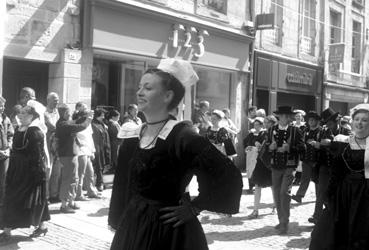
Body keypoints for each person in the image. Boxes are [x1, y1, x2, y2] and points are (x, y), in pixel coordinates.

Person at [108, 58, 243, 250]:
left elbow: (228, 174)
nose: (139, 92)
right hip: (135, 224)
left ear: (167, 95)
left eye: (148, 88)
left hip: (169, 232)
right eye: (140, 87)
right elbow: (123, 182)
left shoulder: (183, 136)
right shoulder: (134, 134)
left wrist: (195, 207)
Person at [309, 104, 369, 250]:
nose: (360, 123)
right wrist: (330, 197)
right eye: (357, 119)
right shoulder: (342, 143)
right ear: (352, 122)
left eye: (365, 120)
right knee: (327, 234)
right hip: (344, 194)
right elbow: (336, 173)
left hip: (366, 196)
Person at [0, 104, 50, 241]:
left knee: (28, 200)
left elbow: (38, 157)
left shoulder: (35, 132)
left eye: (24, 114)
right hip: (16, 170)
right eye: (20, 113)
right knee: (17, 198)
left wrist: (38, 176)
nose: (20, 115)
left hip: (29, 172)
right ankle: (41, 225)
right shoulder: (19, 128)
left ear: (32, 116)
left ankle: (7, 230)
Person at [308, 107, 350, 224]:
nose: (328, 126)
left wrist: (330, 144)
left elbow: (347, 149)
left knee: (336, 194)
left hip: (340, 169)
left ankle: (333, 216)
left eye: (330, 123)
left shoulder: (346, 132)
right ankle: (317, 216)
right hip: (325, 166)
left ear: (336, 121)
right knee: (321, 192)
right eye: (326, 123)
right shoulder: (324, 132)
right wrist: (318, 145)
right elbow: (320, 147)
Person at [267, 106, 305, 235]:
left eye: (287, 116)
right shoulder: (271, 129)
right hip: (275, 166)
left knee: (284, 193)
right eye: (283, 116)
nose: (286, 118)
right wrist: (270, 147)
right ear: (279, 117)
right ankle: (281, 220)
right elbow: (266, 145)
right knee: (277, 194)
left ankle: (285, 222)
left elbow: (302, 148)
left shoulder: (296, 131)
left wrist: (290, 148)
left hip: (289, 166)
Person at [56, 104, 93, 213]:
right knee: (67, 179)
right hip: (67, 155)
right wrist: (89, 119)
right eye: (68, 112)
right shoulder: (62, 124)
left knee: (74, 178)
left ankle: (71, 201)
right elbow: (80, 126)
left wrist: (85, 116)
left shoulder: (65, 123)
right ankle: (64, 204)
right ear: (64, 113)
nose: (70, 114)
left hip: (71, 154)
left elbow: (76, 122)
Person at [245, 115, 277, 219]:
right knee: (258, 185)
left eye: (268, 122)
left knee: (273, 186)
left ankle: (275, 206)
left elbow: (274, 148)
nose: (266, 124)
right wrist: (257, 147)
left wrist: (265, 147)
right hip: (261, 162)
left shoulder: (275, 133)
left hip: (270, 164)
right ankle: (255, 210)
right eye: (266, 122)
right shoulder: (266, 133)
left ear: (273, 123)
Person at [291, 111, 322, 204]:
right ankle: (299, 196)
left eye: (313, 120)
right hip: (306, 158)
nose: (311, 122)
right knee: (305, 178)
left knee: (317, 180)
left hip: (317, 159)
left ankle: (319, 197)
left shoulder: (321, 131)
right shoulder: (305, 130)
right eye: (310, 120)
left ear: (317, 121)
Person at [73, 106, 101, 200]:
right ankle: (78, 194)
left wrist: (92, 150)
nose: (91, 117)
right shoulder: (77, 123)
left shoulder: (88, 125)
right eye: (89, 115)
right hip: (81, 151)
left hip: (87, 150)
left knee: (90, 172)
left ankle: (91, 191)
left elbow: (90, 138)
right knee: (81, 174)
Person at [44, 92, 61, 203]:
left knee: (57, 171)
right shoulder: (44, 113)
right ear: (48, 100)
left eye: (58, 100)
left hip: (57, 145)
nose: (57, 102)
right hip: (48, 145)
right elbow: (53, 126)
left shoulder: (57, 112)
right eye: (54, 99)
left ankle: (54, 195)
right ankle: (46, 196)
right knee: (48, 171)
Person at [92, 108, 111, 192]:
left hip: (103, 147)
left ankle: (101, 182)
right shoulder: (93, 125)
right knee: (98, 166)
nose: (103, 117)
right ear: (98, 115)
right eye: (102, 115)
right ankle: (99, 183)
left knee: (103, 166)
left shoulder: (102, 124)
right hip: (98, 148)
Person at [0, 97, 14, 207]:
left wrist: (8, 147)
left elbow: (11, 135)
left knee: (4, 180)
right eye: (0, 105)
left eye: (3, 106)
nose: (2, 108)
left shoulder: (6, 119)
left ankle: (3, 204)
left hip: (5, 155)